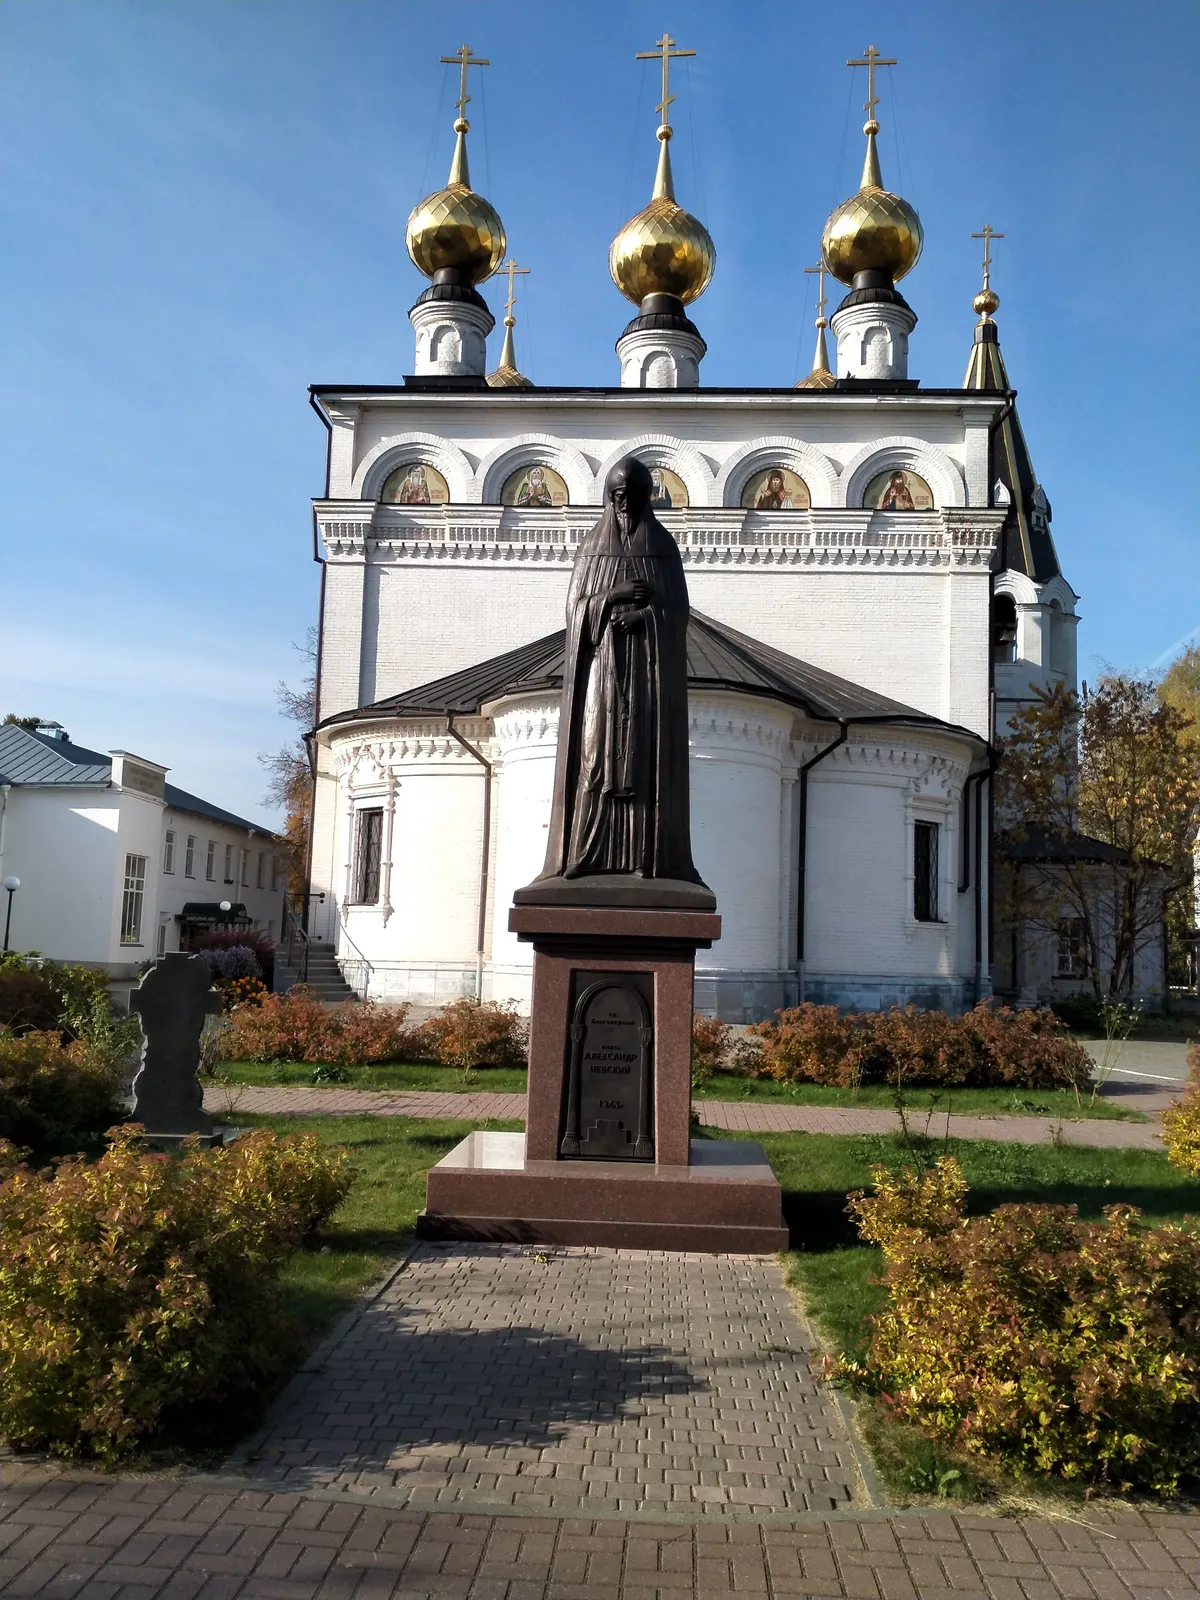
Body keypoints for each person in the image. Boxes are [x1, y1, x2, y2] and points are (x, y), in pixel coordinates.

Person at [527, 456, 706, 890]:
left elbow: (677, 612)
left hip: (646, 676)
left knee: (644, 763)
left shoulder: (662, 548)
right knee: (593, 760)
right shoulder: (592, 547)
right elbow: (575, 613)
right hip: (601, 673)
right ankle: (583, 855)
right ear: (610, 498)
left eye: (633, 496)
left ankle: (647, 859)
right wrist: (613, 595)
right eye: (618, 496)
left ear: (647, 498)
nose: (625, 504)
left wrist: (645, 617)